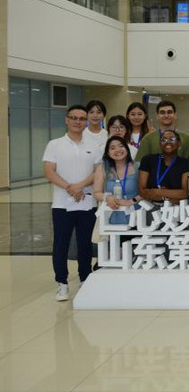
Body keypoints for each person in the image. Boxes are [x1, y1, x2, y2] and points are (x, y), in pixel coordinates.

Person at [43, 105, 102, 301]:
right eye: (74, 118)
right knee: (61, 243)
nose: (78, 121)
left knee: (85, 243)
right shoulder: (54, 144)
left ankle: (85, 278)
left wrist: (79, 186)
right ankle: (62, 283)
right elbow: (49, 171)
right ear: (67, 120)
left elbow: (98, 171)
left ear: (86, 122)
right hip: (62, 203)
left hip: (87, 202)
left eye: (82, 118)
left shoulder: (93, 146)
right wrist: (70, 188)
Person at [93, 136, 140, 226]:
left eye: (121, 146)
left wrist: (131, 201)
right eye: (113, 148)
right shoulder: (102, 168)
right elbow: (96, 193)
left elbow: (145, 192)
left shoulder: (138, 167)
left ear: (127, 149)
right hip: (111, 216)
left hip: (137, 217)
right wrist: (106, 197)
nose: (118, 150)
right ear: (108, 153)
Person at [138, 129, 189, 205]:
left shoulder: (185, 163)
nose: (168, 142)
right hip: (150, 206)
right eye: (163, 140)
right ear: (160, 144)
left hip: (175, 208)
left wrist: (157, 192)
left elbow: (184, 193)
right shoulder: (148, 160)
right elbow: (142, 191)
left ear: (179, 143)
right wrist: (170, 195)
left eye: (172, 139)